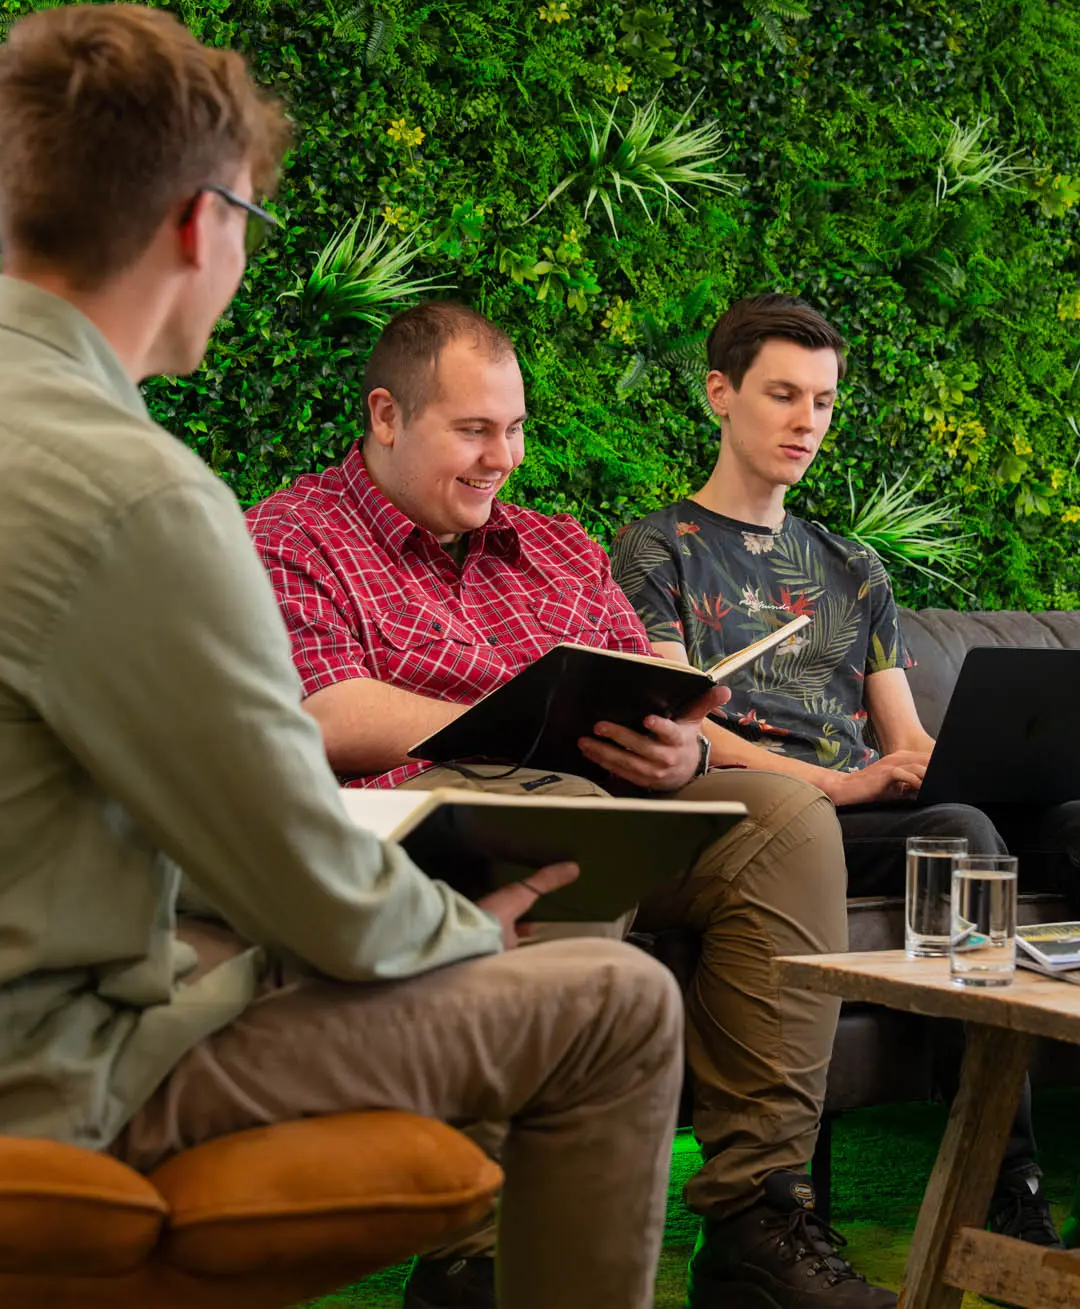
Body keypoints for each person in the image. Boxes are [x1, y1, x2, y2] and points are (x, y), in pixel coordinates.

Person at [0, 5, 684, 1309]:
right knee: (616, 1002)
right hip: (17, 1084)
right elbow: (314, 879)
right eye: (250, 225)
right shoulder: (128, 492)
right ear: (204, 225)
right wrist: (458, 930)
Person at [245, 301, 889, 1309]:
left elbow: (638, 682)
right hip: (414, 823)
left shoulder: (551, 544)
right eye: (472, 430)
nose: (501, 456)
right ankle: (483, 1253)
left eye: (514, 428)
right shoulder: (295, 534)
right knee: (550, 804)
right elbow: (325, 710)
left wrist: (673, 750)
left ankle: (757, 1215)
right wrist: (505, 723)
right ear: (384, 415)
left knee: (782, 820)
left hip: (588, 801)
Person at [609, 294, 1080, 1248]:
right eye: (783, 395)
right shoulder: (656, 549)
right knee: (960, 839)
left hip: (869, 801)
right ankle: (1004, 1174)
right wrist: (835, 785)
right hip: (780, 814)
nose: (806, 422)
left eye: (822, 402)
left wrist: (944, 762)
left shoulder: (853, 564)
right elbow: (675, 720)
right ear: (719, 394)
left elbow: (900, 732)